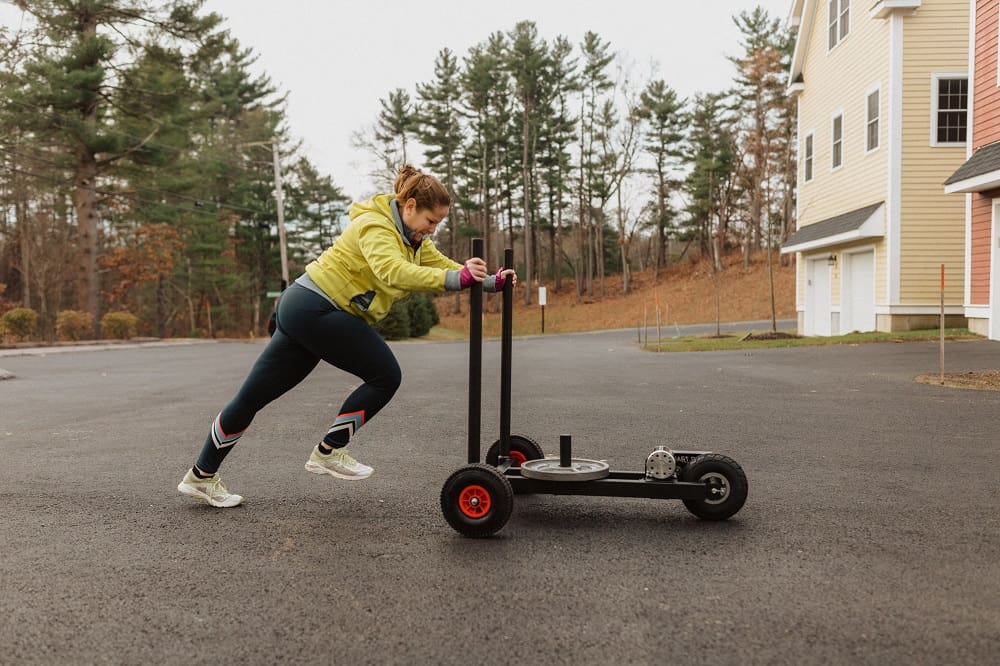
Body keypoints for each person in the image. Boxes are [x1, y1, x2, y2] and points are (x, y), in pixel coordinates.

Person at [177, 165, 516, 507]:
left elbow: (442, 266)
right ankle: (329, 451)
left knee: (252, 397)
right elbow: (393, 272)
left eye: (437, 224)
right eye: (431, 221)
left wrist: (490, 282)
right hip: (316, 307)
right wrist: (458, 279)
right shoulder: (376, 226)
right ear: (409, 206)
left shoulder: (413, 239)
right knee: (385, 376)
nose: (432, 230)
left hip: (305, 308)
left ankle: (200, 475)